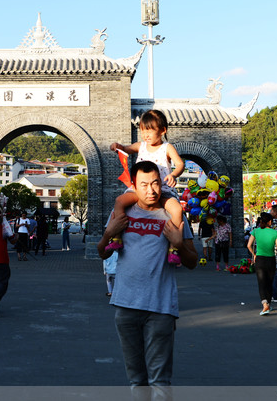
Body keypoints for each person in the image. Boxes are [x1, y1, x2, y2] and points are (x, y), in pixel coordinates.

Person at [97, 160, 198, 386]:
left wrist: (178, 244)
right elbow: (102, 253)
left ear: (161, 183)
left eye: (155, 183)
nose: (150, 190)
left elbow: (192, 262)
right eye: (143, 185)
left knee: (159, 380)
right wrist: (108, 234)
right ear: (133, 185)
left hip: (160, 309)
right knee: (136, 380)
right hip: (125, 306)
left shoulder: (172, 216)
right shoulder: (122, 214)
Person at [109, 109, 187, 264]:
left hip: (163, 189)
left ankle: (173, 248)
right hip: (139, 190)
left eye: (150, 130)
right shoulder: (141, 146)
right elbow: (125, 149)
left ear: (163, 130)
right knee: (119, 202)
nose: (146, 135)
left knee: (177, 210)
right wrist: (117, 146)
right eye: (143, 130)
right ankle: (116, 237)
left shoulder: (167, 148)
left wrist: (173, 175)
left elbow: (180, 164)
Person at [247, 212, 277, 315]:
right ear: (269, 222)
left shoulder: (255, 231)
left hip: (259, 259)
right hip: (271, 260)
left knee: (261, 283)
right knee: (269, 282)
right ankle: (267, 303)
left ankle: (265, 305)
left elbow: (249, 245)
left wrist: (254, 255)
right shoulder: (275, 233)